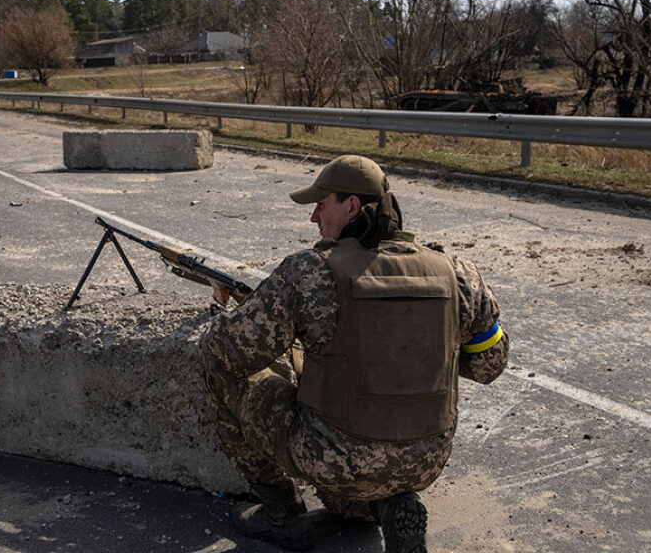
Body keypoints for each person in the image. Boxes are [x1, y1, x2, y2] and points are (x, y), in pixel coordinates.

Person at [199, 155, 509, 552]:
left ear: (352, 207)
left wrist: (220, 315)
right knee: (357, 465)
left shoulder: (312, 273)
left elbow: (225, 355)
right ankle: (390, 505)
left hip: (336, 457)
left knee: (228, 377)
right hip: (426, 459)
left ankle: (281, 511)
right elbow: (489, 365)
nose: (314, 217)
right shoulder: (458, 274)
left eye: (321, 204)